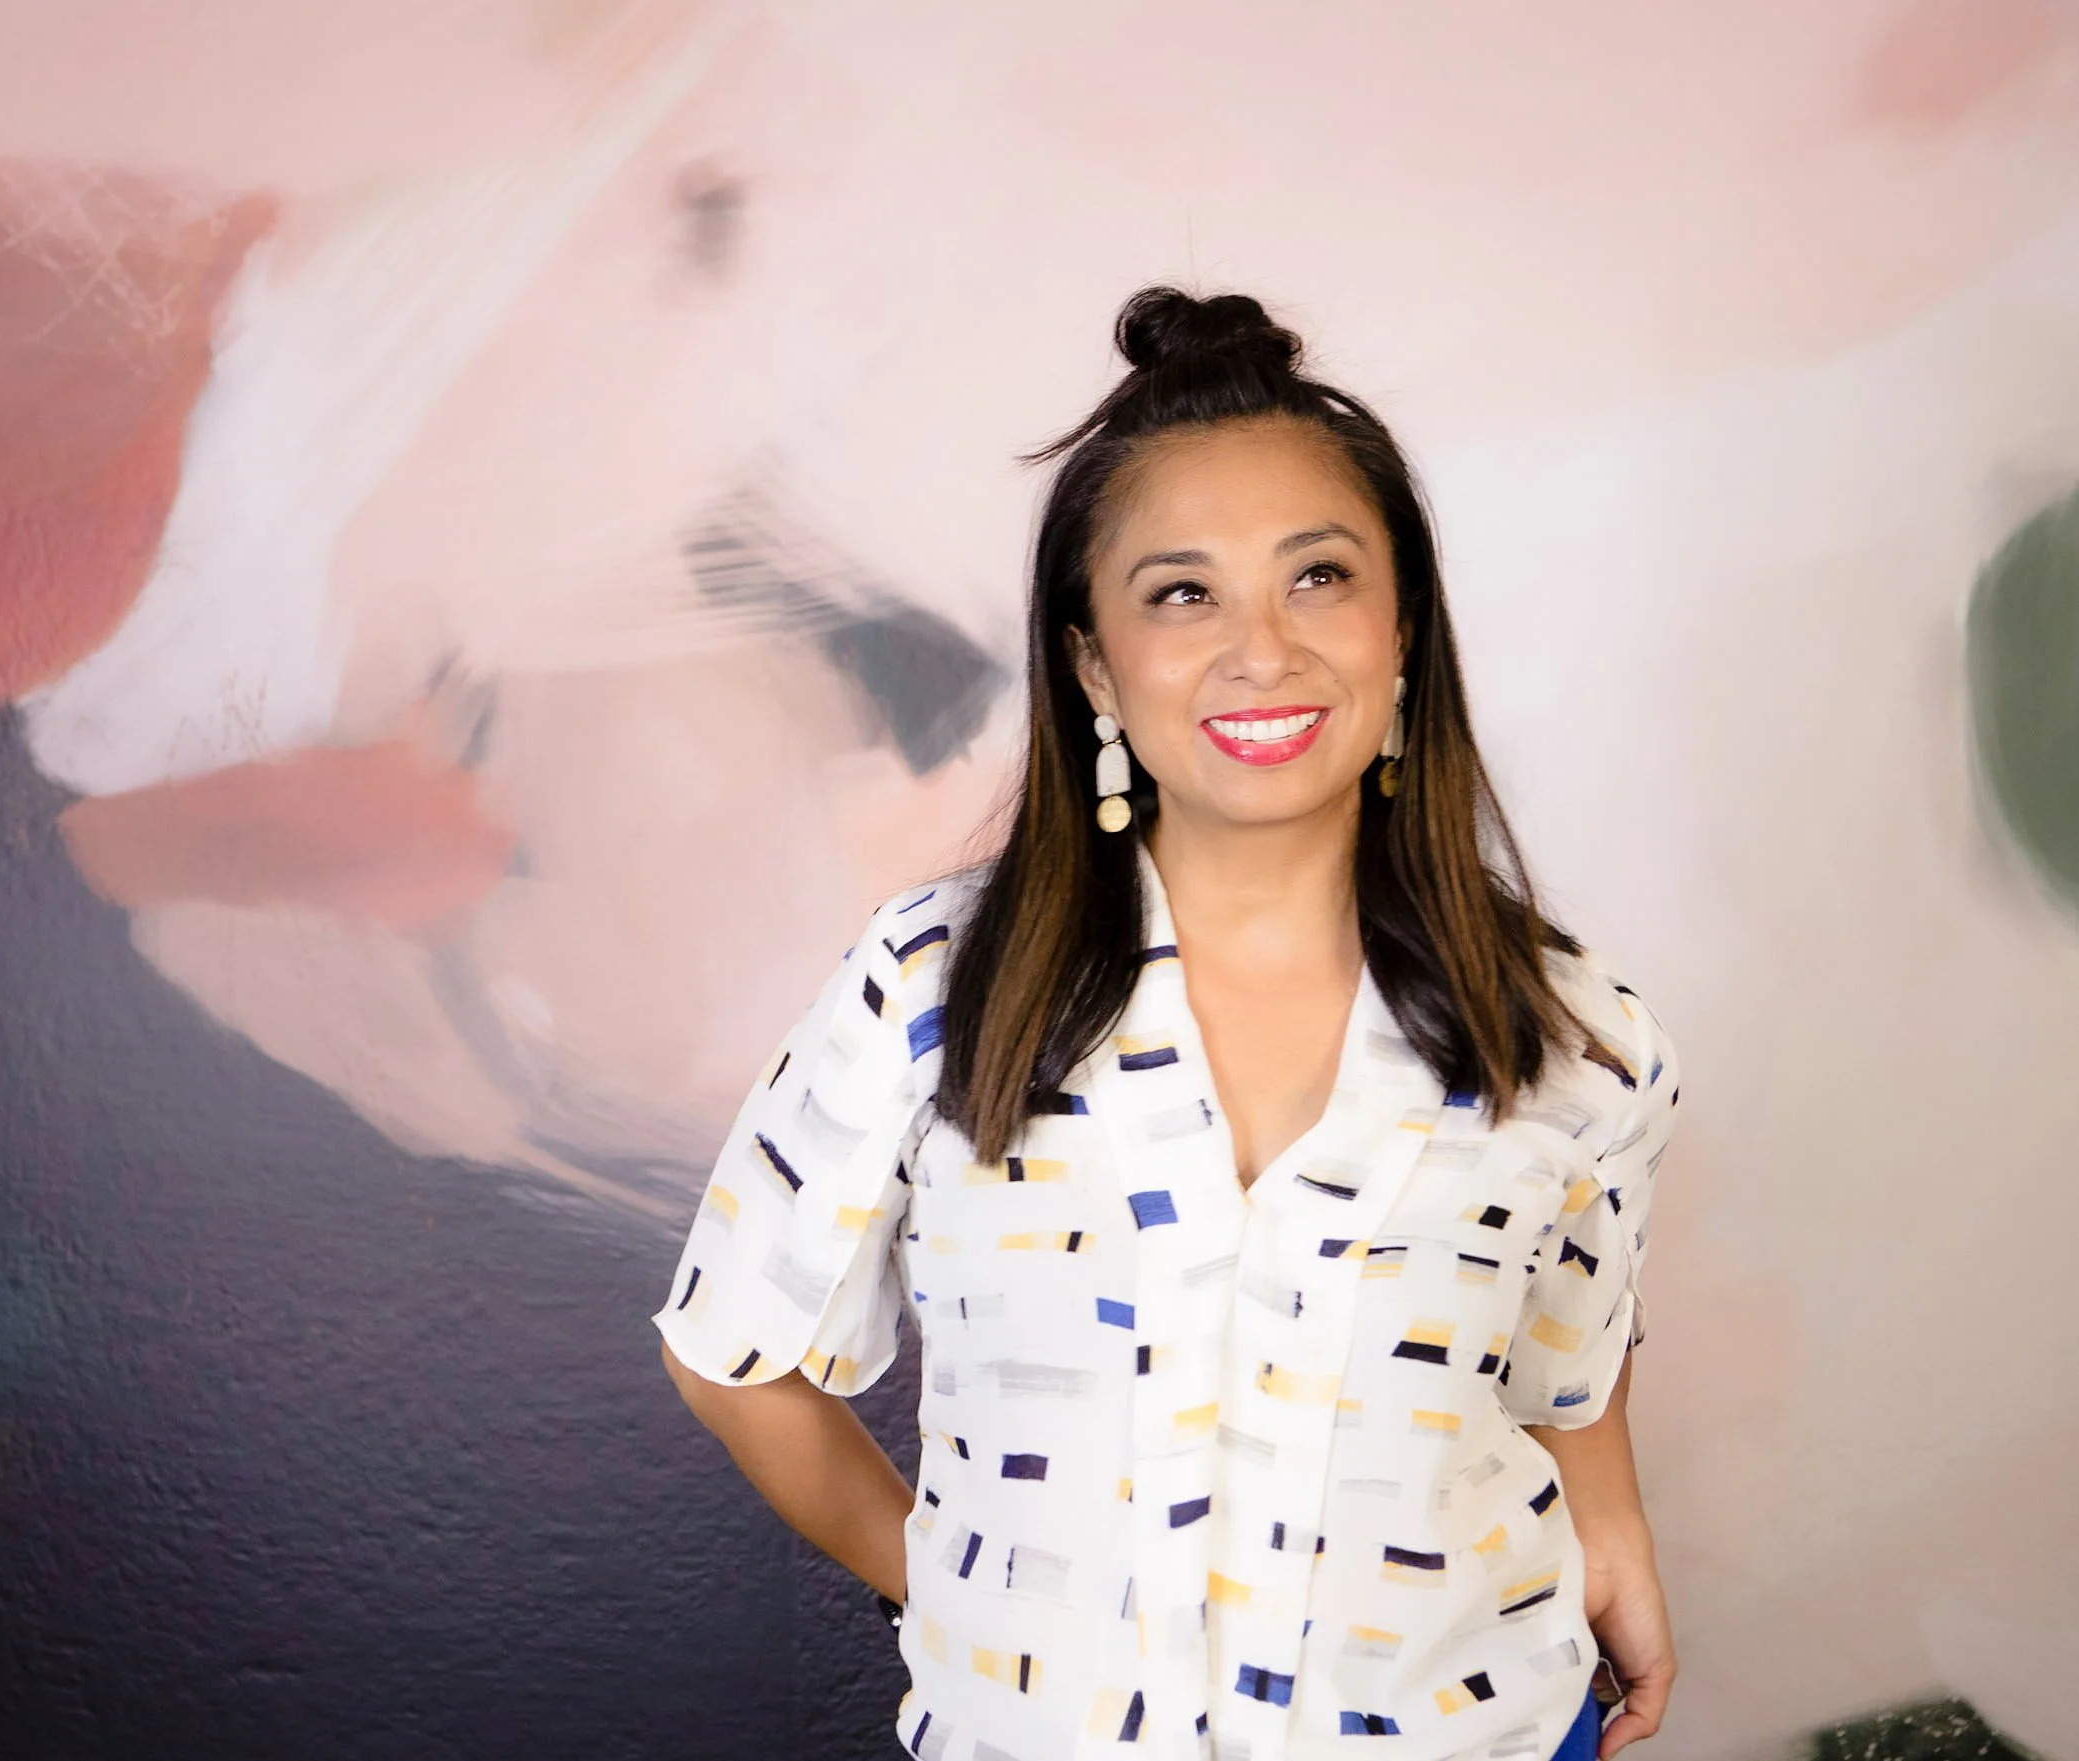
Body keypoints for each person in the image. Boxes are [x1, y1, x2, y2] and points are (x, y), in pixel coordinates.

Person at [654, 287, 1678, 1761]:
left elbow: (1566, 1357)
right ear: (1091, 667)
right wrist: (958, 1601)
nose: (1260, 649)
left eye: (1318, 578)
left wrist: (1617, 1532)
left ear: (1402, 636)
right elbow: (729, 1357)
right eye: (1181, 592)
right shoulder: (936, 986)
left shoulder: (1576, 1032)